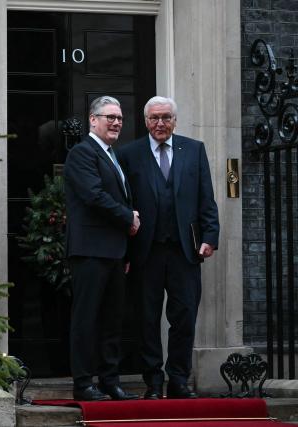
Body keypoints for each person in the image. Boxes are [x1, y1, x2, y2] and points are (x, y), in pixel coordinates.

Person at [116, 96, 219, 399]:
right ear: (146, 121)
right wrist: (124, 251)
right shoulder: (129, 154)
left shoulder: (194, 150)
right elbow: (123, 204)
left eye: (165, 118)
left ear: (175, 120)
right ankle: (152, 383)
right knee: (146, 319)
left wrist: (210, 237)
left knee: (184, 317)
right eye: (154, 118)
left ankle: (178, 380)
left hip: (184, 251)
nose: (160, 124)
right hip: (145, 252)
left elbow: (206, 199)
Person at [64, 96, 140, 401]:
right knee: (87, 319)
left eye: (120, 118)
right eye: (110, 117)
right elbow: (93, 196)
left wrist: (126, 250)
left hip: (115, 253)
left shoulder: (113, 155)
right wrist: (129, 217)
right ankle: (83, 383)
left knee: (112, 320)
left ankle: (110, 381)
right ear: (92, 120)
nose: (117, 122)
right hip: (90, 250)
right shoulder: (82, 153)